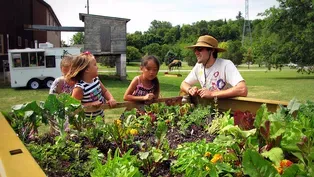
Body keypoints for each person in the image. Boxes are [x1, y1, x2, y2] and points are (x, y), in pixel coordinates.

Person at [180, 35, 248, 99]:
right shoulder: (198, 66)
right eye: (195, 50)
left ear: (212, 50)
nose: (196, 52)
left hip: (227, 109)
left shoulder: (225, 65)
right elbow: (184, 84)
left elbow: (242, 89)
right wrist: (190, 90)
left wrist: (212, 94)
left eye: (200, 49)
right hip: (209, 109)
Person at [66, 51, 117, 118]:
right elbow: (73, 106)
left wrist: (111, 99)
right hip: (86, 123)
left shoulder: (96, 80)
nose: (97, 67)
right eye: (95, 65)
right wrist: (90, 104)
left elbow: (104, 91)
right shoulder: (80, 88)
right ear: (87, 70)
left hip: (100, 117)